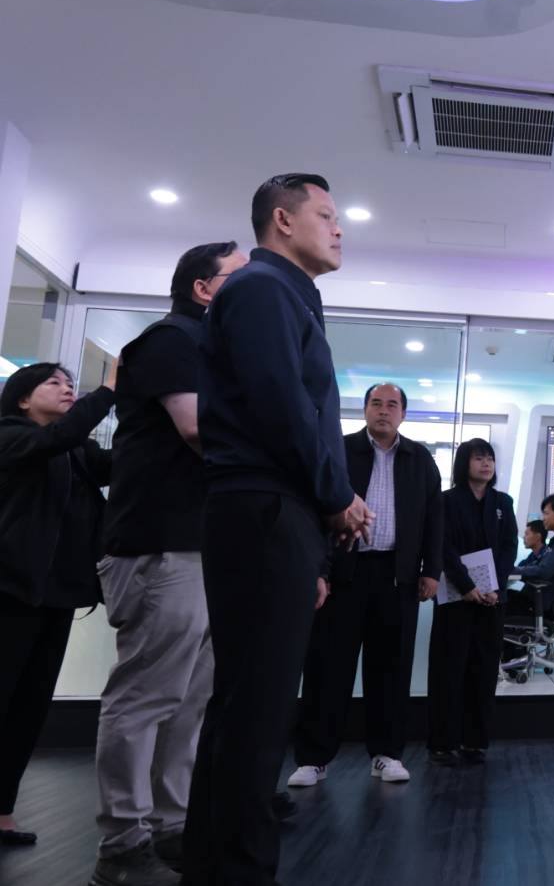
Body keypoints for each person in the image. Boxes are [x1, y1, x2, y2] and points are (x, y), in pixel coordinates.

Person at [182, 173, 372, 886]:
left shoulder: (287, 295)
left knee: (246, 706)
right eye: (327, 214)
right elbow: (281, 406)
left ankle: (214, 867)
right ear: (283, 221)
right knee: (256, 711)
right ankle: (237, 871)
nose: (339, 228)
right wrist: (338, 495)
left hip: (273, 510)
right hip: (264, 506)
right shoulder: (262, 288)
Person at [91, 242, 246, 886]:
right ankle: (123, 842)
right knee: (147, 696)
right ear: (204, 290)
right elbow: (194, 428)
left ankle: (172, 824)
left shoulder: (209, 350)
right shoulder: (169, 340)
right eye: (241, 277)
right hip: (160, 543)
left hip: (201, 545)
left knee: (191, 698)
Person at [287, 383, 442, 790]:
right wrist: (318, 570)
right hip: (344, 576)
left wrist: (431, 570)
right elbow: (316, 513)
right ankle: (313, 759)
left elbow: (434, 519)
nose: (384, 411)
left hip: (397, 577)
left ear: (403, 414)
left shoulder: (420, 459)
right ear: (365, 410)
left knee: (391, 668)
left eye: (392, 405)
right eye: (376, 403)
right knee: (327, 667)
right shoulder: (338, 450)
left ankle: (386, 754)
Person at [0, 362, 115, 848]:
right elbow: (56, 439)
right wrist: (108, 391)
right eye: (54, 383)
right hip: (10, 591)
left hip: (57, 597)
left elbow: (120, 464)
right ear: (23, 399)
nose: (68, 389)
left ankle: (2, 812)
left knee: (28, 708)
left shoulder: (77, 451)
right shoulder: (10, 435)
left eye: (71, 384)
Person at [428, 438, 517, 764]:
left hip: (492, 598)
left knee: (484, 669)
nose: (486, 464)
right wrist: (466, 585)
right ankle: (442, 743)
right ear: (464, 463)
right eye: (479, 458)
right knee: (449, 668)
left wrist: (496, 585)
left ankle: (474, 742)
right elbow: (443, 546)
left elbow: (509, 546)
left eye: (489, 458)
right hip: (456, 596)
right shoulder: (447, 500)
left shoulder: (502, 502)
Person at [511, 493, 554, 619]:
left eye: (546, 513)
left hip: (540, 604)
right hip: (542, 600)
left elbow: (543, 571)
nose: (543, 518)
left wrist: (512, 571)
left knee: (497, 600)